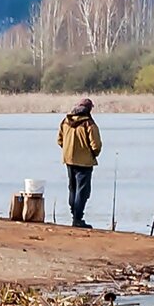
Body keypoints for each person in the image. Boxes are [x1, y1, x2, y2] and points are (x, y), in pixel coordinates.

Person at [57, 97, 102, 229]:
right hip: (85, 162)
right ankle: (77, 219)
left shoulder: (65, 121)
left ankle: (74, 216)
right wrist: (93, 154)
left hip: (69, 160)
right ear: (88, 109)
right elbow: (96, 145)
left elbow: (59, 140)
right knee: (82, 191)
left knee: (73, 189)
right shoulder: (89, 123)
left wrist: (68, 151)